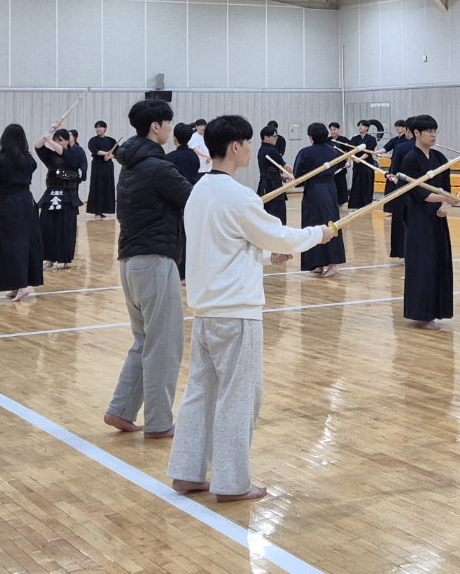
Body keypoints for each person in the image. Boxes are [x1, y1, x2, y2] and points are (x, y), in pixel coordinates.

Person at [167, 115, 336, 503]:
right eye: (246, 143)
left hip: (207, 311)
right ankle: (231, 482)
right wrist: (319, 234)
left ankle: (187, 472)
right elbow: (279, 235)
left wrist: (264, 256)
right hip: (237, 312)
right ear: (235, 147)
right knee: (239, 396)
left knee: (200, 393)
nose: (250, 149)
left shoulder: (199, 191)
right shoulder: (238, 195)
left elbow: (226, 246)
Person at [105, 99, 195, 439]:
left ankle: (121, 409)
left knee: (145, 340)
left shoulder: (131, 164)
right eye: (168, 123)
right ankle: (158, 422)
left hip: (131, 262)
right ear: (156, 126)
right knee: (164, 343)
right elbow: (195, 201)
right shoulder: (158, 167)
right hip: (155, 261)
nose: (170, 128)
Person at [399, 114, 457, 331]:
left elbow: (446, 189)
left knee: (439, 262)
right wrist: (444, 198)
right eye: (429, 131)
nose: (433, 135)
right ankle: (421, 314)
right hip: (418, 217)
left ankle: (436, 310)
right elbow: (418, 193)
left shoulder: (439, 158)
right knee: (423, 264)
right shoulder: (410, 159)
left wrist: (446, 205)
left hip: (438, 217)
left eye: (435, 131)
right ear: (416, 133)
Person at [0, 124, 42, 303]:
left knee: (10, 244)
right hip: (28, 201)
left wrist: (1, 193)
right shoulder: (29, 160)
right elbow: (31, 170)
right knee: (26, 242)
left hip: (9, 203)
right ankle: (17, 285)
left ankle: (22, 285)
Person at [294, 123, 346, 279]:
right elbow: (340, 166)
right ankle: (319, 264)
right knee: (330, 223)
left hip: (313, 191)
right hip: (330, 189)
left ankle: (332, 266)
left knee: (314, 224)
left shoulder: (305, 152)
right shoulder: (333, 151)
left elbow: (298, 177)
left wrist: (298, 180)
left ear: (311, 137)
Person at [35, 126, 82, 270]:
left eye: (60, 141)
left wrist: (50, 140)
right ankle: (48, 258)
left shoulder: (74, 153)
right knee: (48, 227)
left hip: (67, 195)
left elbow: (64, 153)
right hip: (52, 194)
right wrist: (50, 131)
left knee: (66, 227)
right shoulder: (50, 156)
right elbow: (38, 146)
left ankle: (66, 259)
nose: (57, 143)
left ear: (68, 141)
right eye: (56, 141)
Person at [385, 119, 416, 259]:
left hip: (404, 192)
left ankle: (404, 252)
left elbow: (394, 172)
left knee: (402, 222)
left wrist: (391, 176)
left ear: (408, 130)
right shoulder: (433, 152)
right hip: (424, 194)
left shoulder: (402, 148)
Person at [256, 125, 292, 226]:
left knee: (268, 212)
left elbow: (270, 170)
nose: (276, 138)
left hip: (266, 184)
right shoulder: (271, 151)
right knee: (277, 214)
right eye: (274, 136)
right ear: (266, 138)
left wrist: (282, 178)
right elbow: (285, 167)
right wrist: (299, 174)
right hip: (272, 186)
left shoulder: (262, 150)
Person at [86, 121, 117, 219]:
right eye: (96, 127)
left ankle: (104, 210)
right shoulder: (93, 140)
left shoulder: (111, 140)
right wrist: (107, 153)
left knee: (107, 186)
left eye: (100, 127)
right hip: (97, 165)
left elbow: (117, 152)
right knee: (97, 186)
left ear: (105, 129)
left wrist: (110, 156)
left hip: (108, 165)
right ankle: (97, 211)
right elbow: (95, 151)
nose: (98, 129)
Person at [347, 120, 378, 209]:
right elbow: (351, 151)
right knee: (356, 183)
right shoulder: (354, 138)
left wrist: (360, 159)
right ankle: (355, 204)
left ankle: (366, 204)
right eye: (359, 125)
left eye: (362, 125)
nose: (360, 127)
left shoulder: (371, 139)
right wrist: (353, 158)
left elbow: (369, 151)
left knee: (367, 183)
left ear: (367, 127)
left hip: (367, 164)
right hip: (357, 165)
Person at [65, 129, 89, 205]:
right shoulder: (63, 148)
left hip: (74, 174)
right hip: (63, 174)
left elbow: (83, 162)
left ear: (75, 137)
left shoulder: (79, 150)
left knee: (73, 195)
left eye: (70, 135)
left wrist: (83, 175)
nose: (68, 137)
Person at [328, 123, 350, 206]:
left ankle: (340, 202)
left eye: (334, 129)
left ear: (338, 130)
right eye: (331, 130)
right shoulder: (327, 140)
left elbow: (350, 151)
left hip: (341, 165)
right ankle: (331, 200)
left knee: (341, 183)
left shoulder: (344, 140)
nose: (333, 131)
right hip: (331, 165)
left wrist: (348, 161)